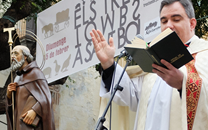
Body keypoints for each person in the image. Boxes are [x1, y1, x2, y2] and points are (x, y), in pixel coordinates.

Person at [90, 0, 208, 130]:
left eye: (176, 19)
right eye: (164, 21)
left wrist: (182, 84)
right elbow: (131, 97)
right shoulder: (154, 60)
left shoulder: (204, 55)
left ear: (192, 24)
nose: (169, 26)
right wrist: (108, 63)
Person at [6, 45, 55, 130]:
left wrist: (35, 110)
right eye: (12, 53)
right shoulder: (17, 78)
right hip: (19, 125)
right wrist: (9, 96)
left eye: (16, 53)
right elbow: (14, 109)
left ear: (25, 56)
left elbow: (47, 98)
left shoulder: (36, 73)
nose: (13, 56)